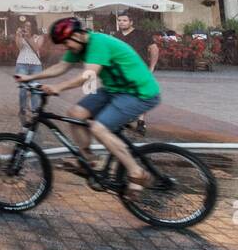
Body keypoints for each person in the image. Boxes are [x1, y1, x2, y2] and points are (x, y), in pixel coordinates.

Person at [18, 17, 158, 193]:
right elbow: (61, 67)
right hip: (115, 90)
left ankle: (136, 172)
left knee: (99, 129)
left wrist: (58, 87)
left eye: (66, 43)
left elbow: (87, 76)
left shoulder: (97, 43)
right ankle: (88, 161)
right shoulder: (79, 45)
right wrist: (30, 78)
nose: (65, 47)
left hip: (138, 92)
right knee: (75, 113)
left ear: (77, 35)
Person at [114, 11, 160, 134]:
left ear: (131, 22)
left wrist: (152, 67)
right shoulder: (116, 36)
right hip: (122, 71)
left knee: (141, 95)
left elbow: (154, 49)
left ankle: (141, 121)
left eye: (124, 20)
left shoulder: (142, 34)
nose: (121, 22)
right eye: (119, 20)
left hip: (140, 70)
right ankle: (125, 119)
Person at [14, 23, 44, 116]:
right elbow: (19, 47)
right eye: (25, 26)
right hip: (22, 64)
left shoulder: (40, 37)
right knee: (23, 89)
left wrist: (28, 37)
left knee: (35, 89)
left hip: (36, 66)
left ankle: (35, 110)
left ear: (33, 26)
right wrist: (18, 36)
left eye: (29, 25)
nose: (27, 27)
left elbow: (36, 48)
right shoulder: (20, 36)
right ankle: (22, 108)